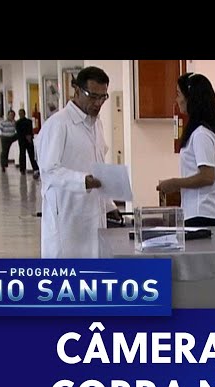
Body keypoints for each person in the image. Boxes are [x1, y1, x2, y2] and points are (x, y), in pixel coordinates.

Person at [35, 66, 123, 258]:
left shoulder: (96, 124)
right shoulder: (58, 125)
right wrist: (83, 181)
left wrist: (109, 205)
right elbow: (49, 171)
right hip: (67, 216)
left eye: (103, 97)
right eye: (93, 96)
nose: (98, 103)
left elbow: (97, 166)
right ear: (76, 91)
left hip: (93, 214)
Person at [157, 72, 215, 227]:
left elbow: (207, 176)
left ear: (191, 98)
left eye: (178, 94)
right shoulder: (202, 132)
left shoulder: (201, 134)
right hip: (200, 212)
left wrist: (175, 183)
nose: (177, 100)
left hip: (204, 214)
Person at [15, 108, 40, 178]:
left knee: (31, 155)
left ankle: (35, 168)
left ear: (24, 114)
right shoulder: (18, 123)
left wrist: (29, 137)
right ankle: (22, 169)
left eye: (21, 113)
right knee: (22, 154)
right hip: (23, 140)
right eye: (20, 114)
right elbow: (19, 132)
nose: (21, 115)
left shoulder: (28, 122)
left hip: (28, 140)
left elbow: (30, 131)